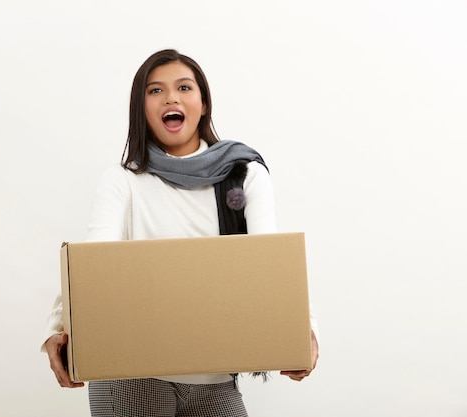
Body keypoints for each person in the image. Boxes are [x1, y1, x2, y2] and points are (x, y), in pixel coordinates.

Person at [42, 48, 320, 417]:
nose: (171, 97)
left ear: (203, 103)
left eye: (184, 87)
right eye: (155, 91)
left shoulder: (245, 174)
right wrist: (56, 332)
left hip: (215, 378)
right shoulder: (123, 180)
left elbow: (271, 264)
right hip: (131, 373)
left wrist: (305, 332)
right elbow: (93, 265)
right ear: (141, 108)